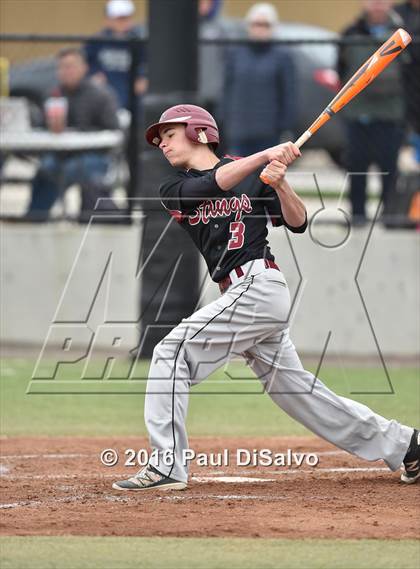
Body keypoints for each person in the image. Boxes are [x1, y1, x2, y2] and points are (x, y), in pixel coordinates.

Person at [112, 104, 419, 491]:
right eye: (159, 140)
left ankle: (167, 465)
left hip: (259, 288)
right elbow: (212, 185)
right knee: (299, 395)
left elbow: (298, 221)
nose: (162, 145)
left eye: (169, 135)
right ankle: (407, 444)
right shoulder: (172, 187)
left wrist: (279, 183)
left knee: (170, 352)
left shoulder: (252, 174)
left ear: (199, 132)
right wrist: (264, 157)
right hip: (240, 295)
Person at [25, 48, 120, 222]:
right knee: (46, 168)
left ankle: (88, 216)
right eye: (62, 67)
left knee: (70, 169)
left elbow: (113, 130)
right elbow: (39, 129)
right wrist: (48, 129)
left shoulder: (101, 94)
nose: (66, 71)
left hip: (95, 155)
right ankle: (34, 218)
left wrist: (79, 133)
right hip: (60, 154)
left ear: (84, 68)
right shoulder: (51, 95)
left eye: (71, 66)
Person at [338, 0, 405, 225]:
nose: (377, 5)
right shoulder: (350, 32)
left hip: (390, 115)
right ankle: (357, 215)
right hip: (358, 115)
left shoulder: (402, 33)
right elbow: (341, 70)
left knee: (389, 168)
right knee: (357, 168)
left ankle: (391, 215)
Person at [219, 2, 297, 156]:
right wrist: (223, 119)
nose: (260, 29)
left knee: (265, 176)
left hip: (268, 132)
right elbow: (226, 89)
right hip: (239, 131)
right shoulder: (236, 54)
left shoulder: (282, 57)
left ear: (273, 27)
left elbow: (289, 93)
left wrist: (286, 126)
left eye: (265, 24)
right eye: (256, 24)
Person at [84, 0, 147, 110]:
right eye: (119, 19)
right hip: (106, 95)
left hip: (132, 97)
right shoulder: (96, 41)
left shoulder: (139, 42)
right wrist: (93, 76)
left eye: (126, 18)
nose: (123, 22)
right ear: (108, 20)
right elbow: (86, 64)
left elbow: (146, 63)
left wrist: (143, 77)